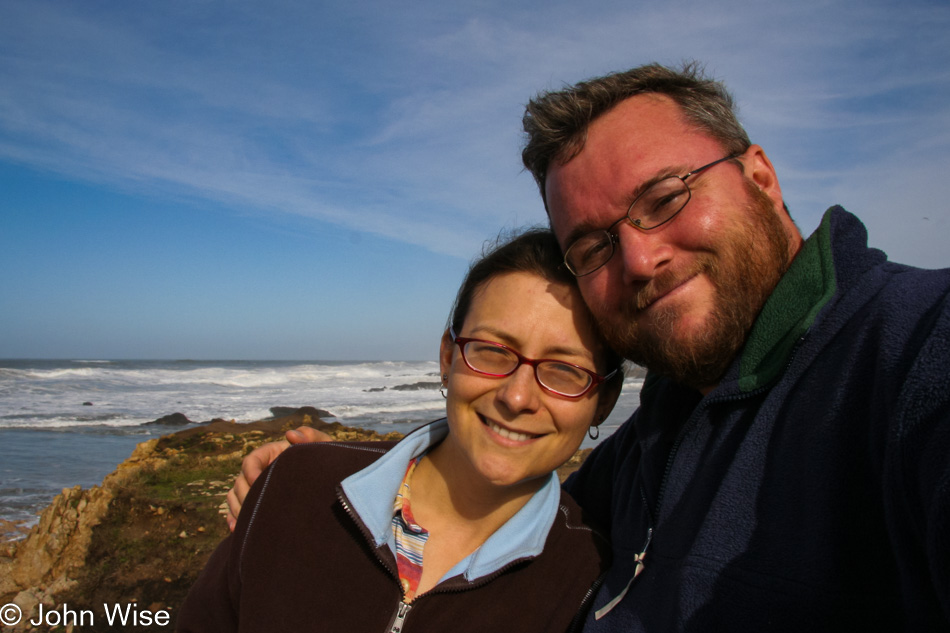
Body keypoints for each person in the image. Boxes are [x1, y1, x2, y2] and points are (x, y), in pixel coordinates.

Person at [227, 63, 950, 631]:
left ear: (760, 175)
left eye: (665, 198)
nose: (637, 260)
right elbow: (516, 490)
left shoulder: (910, 351)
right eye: (594, 245)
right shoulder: (660, 429)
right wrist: (346, 479)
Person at [178, 229, 623, 632]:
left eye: (565, 371)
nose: (518, 397)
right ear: (448, 358)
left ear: (603, 400)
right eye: (491, 351)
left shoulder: (591, 587)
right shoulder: (297, 486)